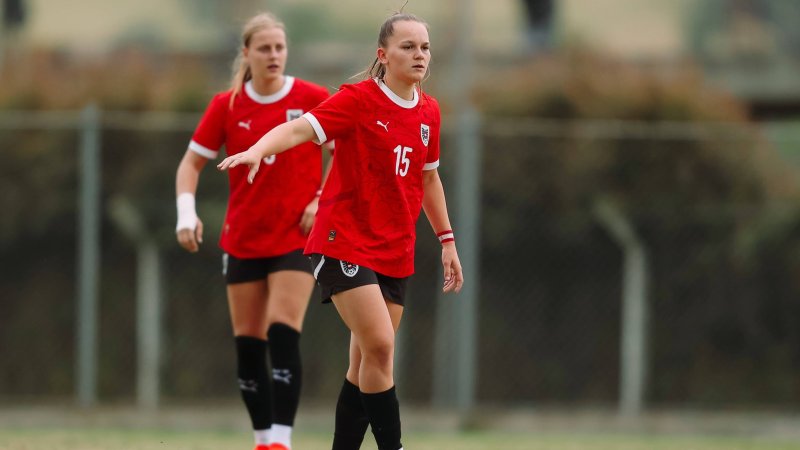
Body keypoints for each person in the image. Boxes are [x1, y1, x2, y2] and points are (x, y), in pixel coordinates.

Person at [217, 12, 464, 450]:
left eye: (425, 47)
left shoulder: (429, 110)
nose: (419, 54)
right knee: (382, 348)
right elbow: (298, 128)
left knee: (365, 363)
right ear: (382, 55)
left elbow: (428, 179)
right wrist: (256, 149)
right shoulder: (358, 100)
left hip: (395, 249)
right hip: (342, 242)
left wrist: (447, 240)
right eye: (408, 46)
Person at [175, 12, 333, 450]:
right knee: (248, 346)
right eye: (264, 48)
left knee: (284, 330)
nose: (274, 55)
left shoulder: (312, 97)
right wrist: (186, 215)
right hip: (243, 238)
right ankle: (263, 439)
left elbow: (343, 154)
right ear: (246, 53)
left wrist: (320, 200)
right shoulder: (226, 106)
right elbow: (190, 164)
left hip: (294, 238)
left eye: (280, 47)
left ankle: (281, 440)